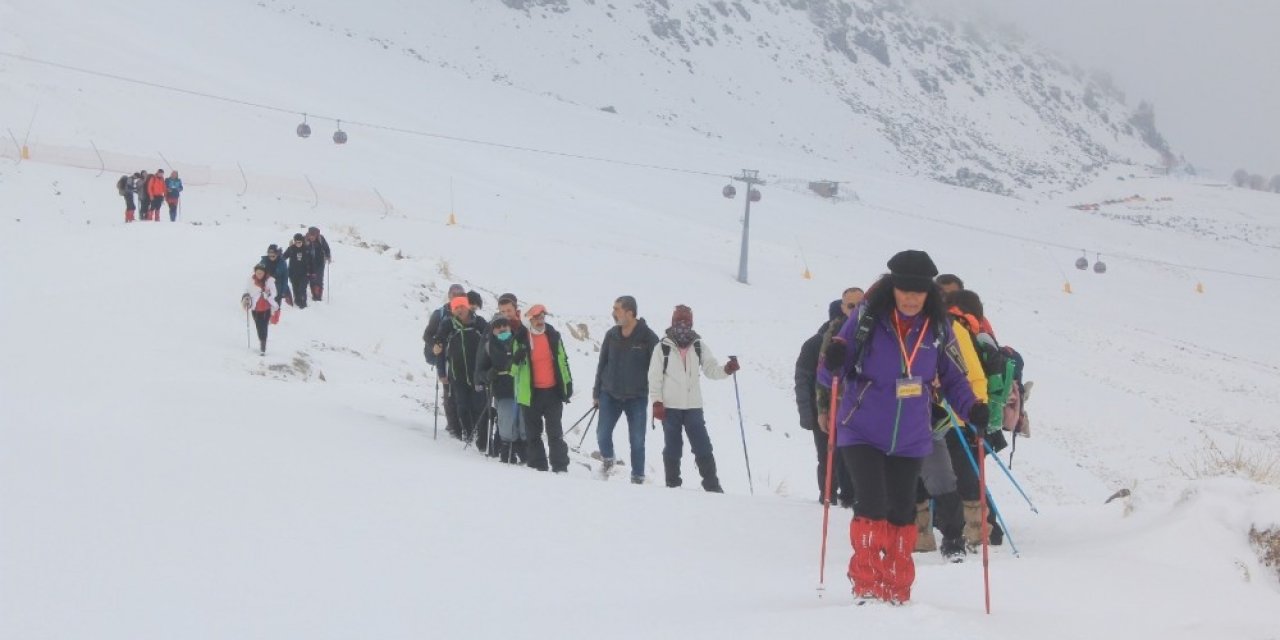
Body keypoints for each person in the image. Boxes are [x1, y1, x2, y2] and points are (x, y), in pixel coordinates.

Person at [819, 250, 987, 605]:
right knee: (873, 503)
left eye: (919, 291)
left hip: (910, 435)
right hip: (861, 427)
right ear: (891, 288)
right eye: (904, 290)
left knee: (901, 510)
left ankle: (896, 585)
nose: (911, 298)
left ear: (928, 293)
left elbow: (955, 379)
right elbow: (831, 370)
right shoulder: (867, 318)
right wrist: (832, 361)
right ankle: (865, 582)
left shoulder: (940, 329)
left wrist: (974, 410)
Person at [648, 305, 737, 492]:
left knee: (702, 445)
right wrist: (656, 402)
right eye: (679, 320)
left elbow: (711, 370)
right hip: (669, 406)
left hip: (693, 406)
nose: (682, 324)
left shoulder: (698, 346)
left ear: (692, 322)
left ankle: (712, 485)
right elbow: (654, 377)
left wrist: (727, 369)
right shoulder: (662, 347)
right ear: (672, 322)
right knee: (673, 446)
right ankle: (673, 484)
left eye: (686, 321)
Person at [593, 295, 660, 483]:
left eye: (617, 309)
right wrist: (596, 393)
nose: (613, 313)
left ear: (629, 312)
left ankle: (637, 477)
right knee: (602, 434)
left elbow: (658, 369)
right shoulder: (611, 334)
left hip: (636, 397)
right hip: (609, 394)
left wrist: (658, 396)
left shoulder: (648, 337)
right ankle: (608, 459)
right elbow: (602, 363)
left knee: (637, 441)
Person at [796, 300, 856, 506]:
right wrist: (808, 414)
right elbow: (803, 380)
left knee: (846, 456)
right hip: (822, 411)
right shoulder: (815, 344)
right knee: (828, 456)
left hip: (848, 409)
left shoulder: (856, 342)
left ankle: (846, 496)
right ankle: (828, 496)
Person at [513, 304, 573, 472]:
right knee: (533, 434)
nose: (540, 321)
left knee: (555, 432)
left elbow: (563, 362)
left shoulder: (553, 335)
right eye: (536, 318)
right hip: (530, 394)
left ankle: (560, 467)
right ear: (528, 319)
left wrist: (567, 386)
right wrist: (517, 358)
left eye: (542, 317)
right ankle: (538, 467)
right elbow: (512, 370)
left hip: (552, 392)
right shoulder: (520, 338)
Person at [439, 296, 490, 450]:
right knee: (462, 406)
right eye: (456, 308)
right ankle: (469, 434)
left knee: (479, 406)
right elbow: (439, 346)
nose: (459, 310)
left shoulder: (479, 322)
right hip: (457, 374)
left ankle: (481, 439)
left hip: (478, 375)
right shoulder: (448, 324)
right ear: (453, 310)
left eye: (462, 306)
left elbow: (490, 341)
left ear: (468, 307)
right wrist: (441, 372)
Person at [476, 315, 525, 464]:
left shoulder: (519, 342)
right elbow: (480, 372)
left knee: (524, 423)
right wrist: (488, 375)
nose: (502, 328)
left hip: (523, 391)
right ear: (493, 330)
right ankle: (507, 453)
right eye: (498, 326)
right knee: (506, 423)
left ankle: (526, 453)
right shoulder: (488, 346)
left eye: (505, 325)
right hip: (503, 391)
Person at [426, 284, 467, 440]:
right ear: (449, 296)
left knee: (459, 393)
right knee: (449, 391)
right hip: (444, 357)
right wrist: (435, 346)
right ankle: (453, 425)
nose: (457, 297)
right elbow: (427, 334)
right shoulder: (440, 314)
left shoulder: (466, 313)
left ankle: (460, 425)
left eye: (461, 294)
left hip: (461, 361)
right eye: (454, 294)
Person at [241, 264, 280, 356]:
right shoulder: (251, 280)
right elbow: (247, 290)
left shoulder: (269, 281)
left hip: (266, 308)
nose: (259, 274)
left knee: (264, 326)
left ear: (264, 272)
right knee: (259, 326)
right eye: (258, 273)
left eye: (261, 273)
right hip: (255, 308)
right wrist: (246, 297)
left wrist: (268, 293)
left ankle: (263, 346)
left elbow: (275, 293)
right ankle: (262, 340)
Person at [282, 234, 313, 309]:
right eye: (296, 242)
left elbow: (311, 261)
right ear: (294, 242)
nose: (298, 244)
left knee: (302, 289)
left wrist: (312, 272)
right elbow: (284, 256)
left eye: (299, 242)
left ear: (302, 241)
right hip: (293, 273)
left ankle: (303, 303)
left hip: (304, 274)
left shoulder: (306, 249)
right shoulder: (291, 249)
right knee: (295, 288)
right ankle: (297, 301)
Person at [305, 226, 332, 301]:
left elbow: (326, 248)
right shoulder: (305, 239)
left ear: (316, 235)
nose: (312, 237)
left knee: (319, 279)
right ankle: (314, 294)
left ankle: (319, 296)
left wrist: (328, 256)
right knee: (312, 279)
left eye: (313, 235)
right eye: (310, 235)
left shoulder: (321, 239)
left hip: (320, 262)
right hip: (309, 263)